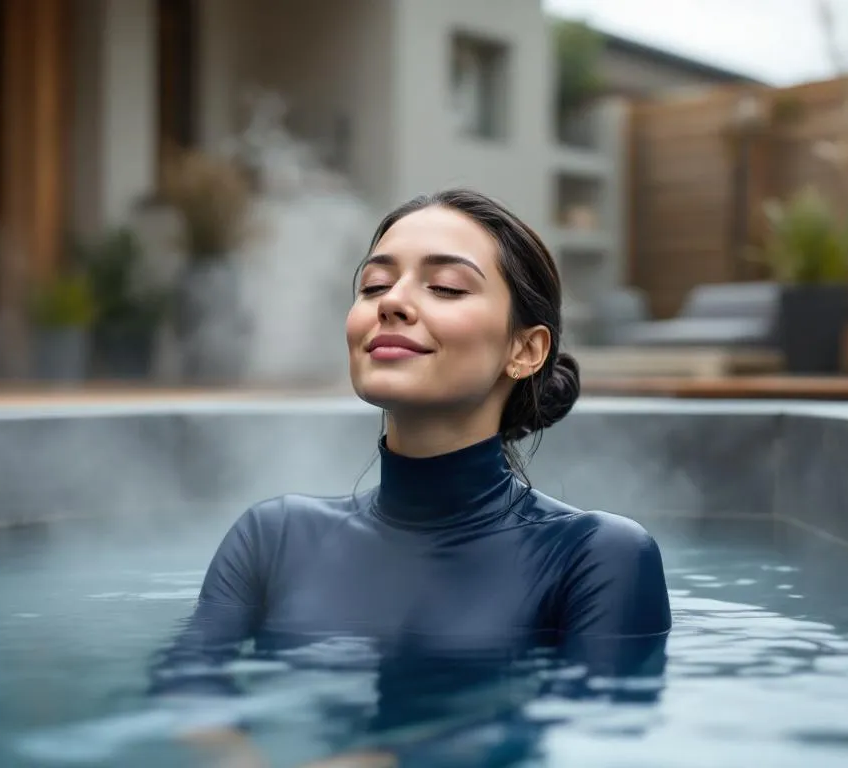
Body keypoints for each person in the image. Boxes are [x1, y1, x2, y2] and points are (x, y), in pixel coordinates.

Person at [152, 188, 671, 766]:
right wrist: (231, 753)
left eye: (445, 287)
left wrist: (387, 761)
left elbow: (591, 729)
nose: (392, 303)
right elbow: (187, 675)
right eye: (374, 286)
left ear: (525, 350)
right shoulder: (274, 535)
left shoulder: (595, 556)